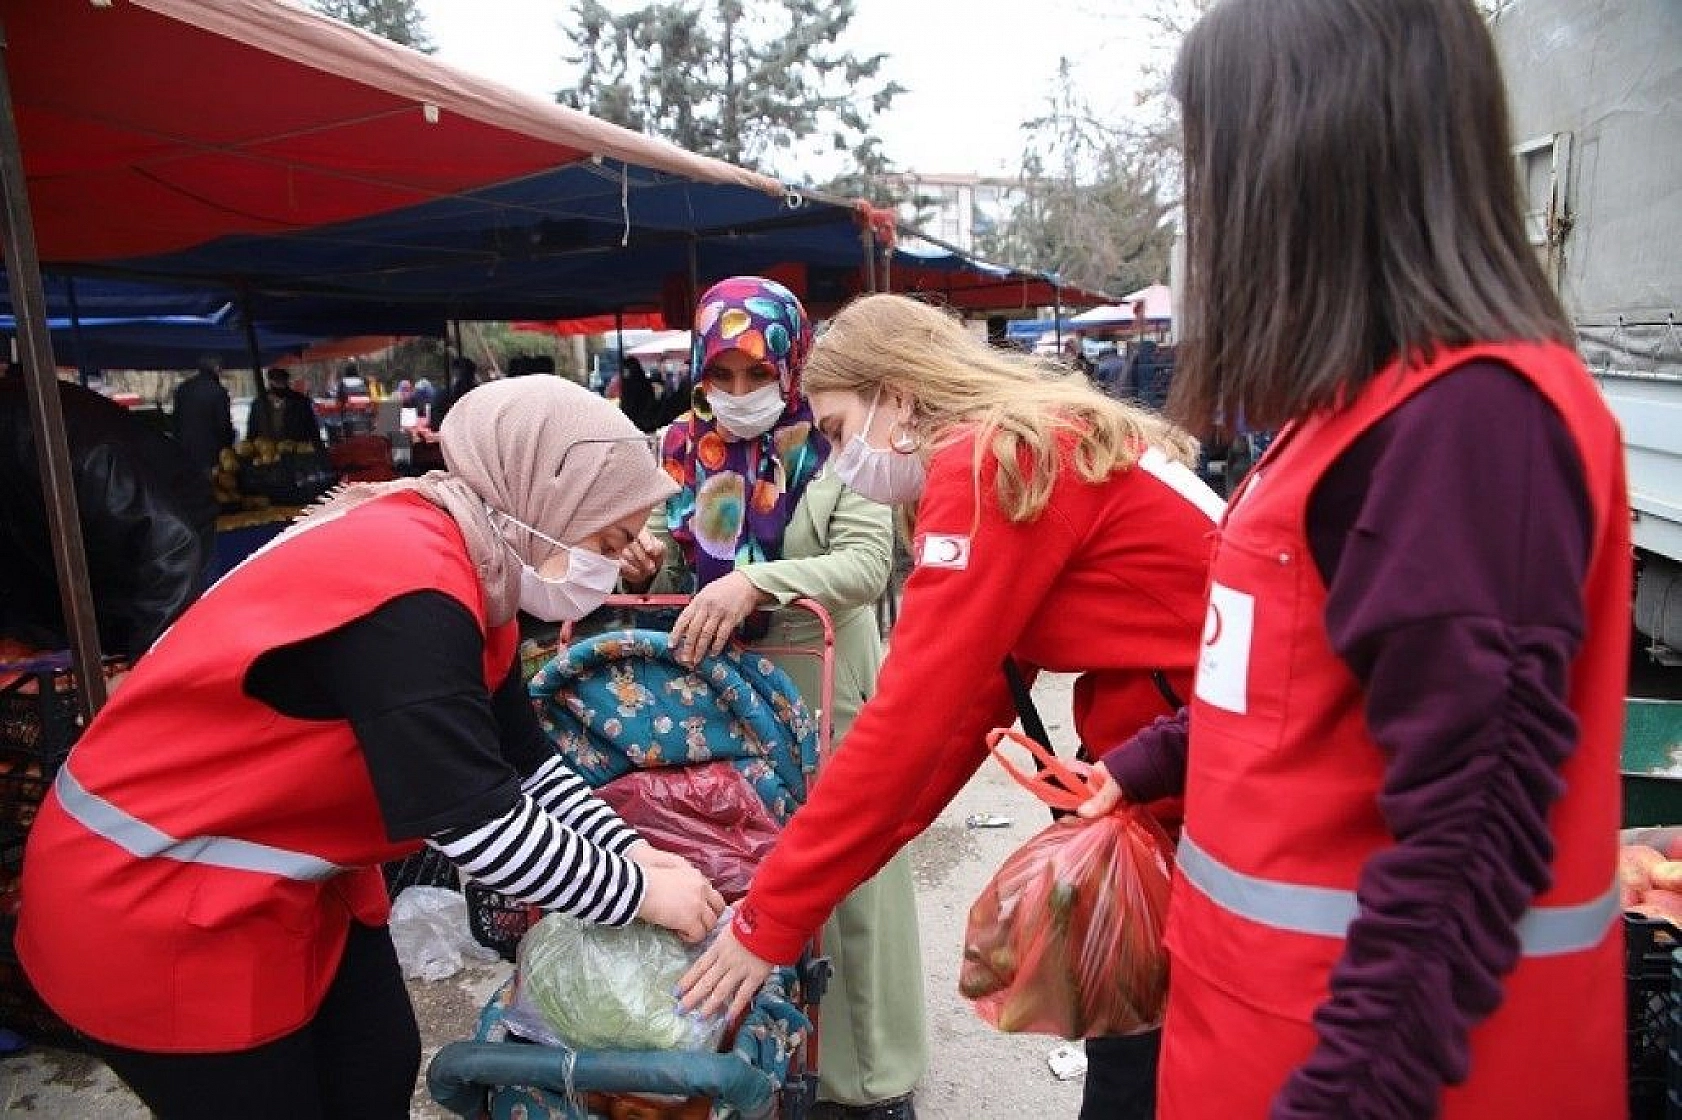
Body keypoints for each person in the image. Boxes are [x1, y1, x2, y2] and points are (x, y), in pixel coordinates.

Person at [1073, 2, 1629, 1116]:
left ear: (1307, 166)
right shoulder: (1348, 414)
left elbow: (1469, 847)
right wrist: (1143, 761)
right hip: (1260, 1040)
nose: (1204, 218)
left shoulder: (1466, 422)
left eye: (1214, 168)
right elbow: (1300, 677)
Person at [16, 377, 726, 1120]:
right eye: (605, 543)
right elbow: (481, 828)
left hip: (276, 873)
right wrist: (638, 894)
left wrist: (629, 849)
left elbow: (525, 761)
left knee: (375, 1069)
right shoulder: (412, 594)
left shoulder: (482, 566)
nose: (609, 570)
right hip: (151, 894)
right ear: (539, 499)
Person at [678, 292, 1224, 1120]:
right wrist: (801, 892)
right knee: (1142, 1053)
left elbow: (910, 720)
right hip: (1192, 772)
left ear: (897, 395)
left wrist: (772, 916)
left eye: (833, 429)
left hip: (1204, 783)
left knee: (1144, 1061)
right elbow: (963, 715)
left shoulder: (986, 456)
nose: (837, 460)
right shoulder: (1030, 437)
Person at [618, 277, 927, 1120]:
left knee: (847, 886)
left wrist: (758, 582)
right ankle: (754, 1064)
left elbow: (869, 568)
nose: (743, 394)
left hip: (824, 695)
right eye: (725, 374)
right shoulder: (679, 450)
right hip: (718, 710)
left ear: (790, 362)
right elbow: (679, 573)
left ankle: (867, 1080)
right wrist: (645, 561)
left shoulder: (838, 444)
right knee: (738, 874)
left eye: (759, 373)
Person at [0, 366, 216, 658]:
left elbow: (170, 546)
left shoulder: (54, 437)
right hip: (65, 570)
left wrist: (142, 669)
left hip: (159, 537)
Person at [170, 354, 234, 477]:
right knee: (213, 488)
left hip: (185, 450)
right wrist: (228, 447)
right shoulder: (218, 392)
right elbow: (223, 425)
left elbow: (175, 420)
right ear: (216, 368)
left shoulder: (183, 388)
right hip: (212, 452)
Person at [246, 367, 324, 447]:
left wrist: (318, 445)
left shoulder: (300, 401)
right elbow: (252, 429)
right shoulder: (259, 403)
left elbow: (312, 426)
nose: (280, 385)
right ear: (270, 382)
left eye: (282, 381)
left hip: (295, 449)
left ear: (286, 381)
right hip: (267, 450)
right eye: (276, 381)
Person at [429, 356, 479, 431]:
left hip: (445, 435)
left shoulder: (442, 394)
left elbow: (434, 424)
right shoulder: (478, 395)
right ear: (473, 376)